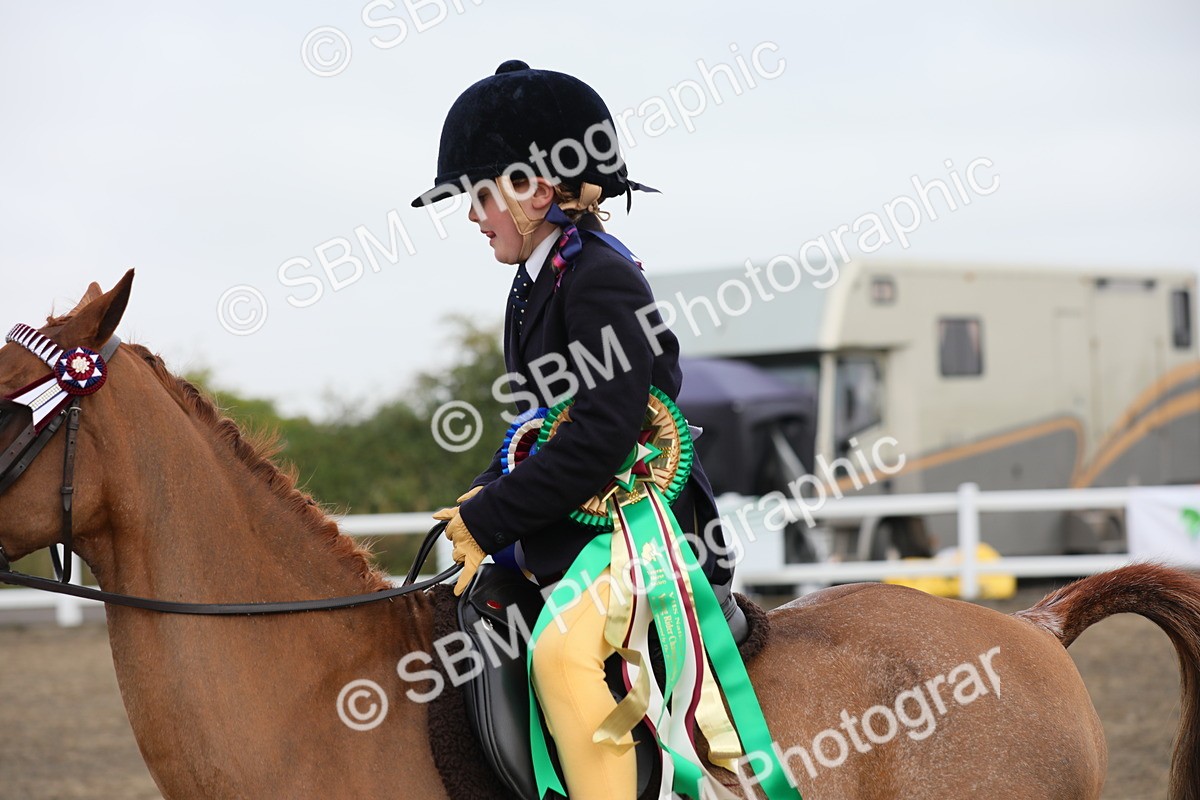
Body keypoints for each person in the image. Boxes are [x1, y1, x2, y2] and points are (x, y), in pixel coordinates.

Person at [419, 61, 791, 800]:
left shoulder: (598, 277)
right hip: (586, 524)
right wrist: (479, 498)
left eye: (481, 195)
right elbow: (540, 427)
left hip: (640, 532)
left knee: (562, 659)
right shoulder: (536, 282)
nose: (472, 216)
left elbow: (603, 434)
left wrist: (493, 517)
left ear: (535, 191)